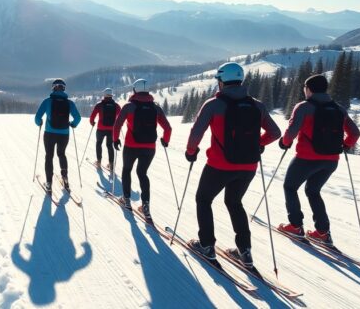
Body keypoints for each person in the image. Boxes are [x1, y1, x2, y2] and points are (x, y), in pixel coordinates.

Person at [184, 62, 281, 267]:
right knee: (235, 202)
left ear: (221, 81)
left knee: (203, 199)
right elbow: (275, 133)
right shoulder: (257, 105)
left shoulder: (213, 104)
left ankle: (207, 246)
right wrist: (258, 143)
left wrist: (191, 152)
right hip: (248, 166)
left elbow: (196, 132)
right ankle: (245, 251)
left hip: (219, 165)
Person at [277, 74, 360, 245]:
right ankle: (322, 232)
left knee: (290, 187)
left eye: (305, 88)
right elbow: (355, 133)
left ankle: (295, 226)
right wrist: (346, 145)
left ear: (309, 89)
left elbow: (291, 131)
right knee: (313, 191)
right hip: (331, 161)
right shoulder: (338, 109)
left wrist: (284, 143)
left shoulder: (303, 107)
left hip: (306, 159)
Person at [112, 79, 172, 219]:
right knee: (142, 173)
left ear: (134, 90)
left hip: (131, 146)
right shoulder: (156, 108)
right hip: (149, 148)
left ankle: (126, 199)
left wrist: (115, 140)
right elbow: (168, 128)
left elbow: (117, 125)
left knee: (127, 170)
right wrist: (165, 140)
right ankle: (145, 206)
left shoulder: (129, 107)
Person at [35, 78, 82, 192]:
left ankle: (49, 183)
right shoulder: (69, 103)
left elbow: (37, 118)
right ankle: (65, 178)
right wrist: (73, 124)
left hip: (49, 134)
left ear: (53, 88)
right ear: (64, 89)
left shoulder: (47, 101)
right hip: (64, 134)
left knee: (49, 156)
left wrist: (39, 122)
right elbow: (78, 118)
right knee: (61, 154)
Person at [89, 88, 121, 171]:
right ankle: (111, 165)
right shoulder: (116, 106)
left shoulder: (99, 105)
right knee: (110, 146)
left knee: (98, 144)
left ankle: (99, 162)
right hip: (111, 129)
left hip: (101, 129)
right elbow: (121, 116)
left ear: (104, 95)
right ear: (111, 95)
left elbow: (92, 116)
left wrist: (92, 122)